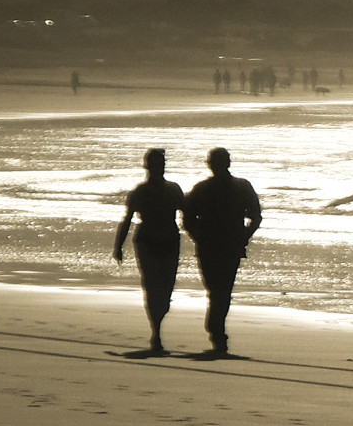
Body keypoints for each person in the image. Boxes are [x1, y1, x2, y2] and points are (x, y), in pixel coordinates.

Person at [182, 146, 263, 357]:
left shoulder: (202, 188)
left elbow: (187, 220)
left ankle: (217, 332)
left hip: (212, 246)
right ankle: (217, 331)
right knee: (221, 292)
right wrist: (244, 236)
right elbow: (256, 217)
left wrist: (200, 237)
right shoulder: (241, 186)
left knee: (217, 291)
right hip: (226, 246)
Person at [112, 147, 185, 354]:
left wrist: (201, 235)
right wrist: (118, 246)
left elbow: (187, 214)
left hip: (170, 241)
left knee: (166, 288)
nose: (158, 168)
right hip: (146, 242)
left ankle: (158, 324)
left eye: (161, 165)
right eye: (155, 165)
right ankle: (156, 332)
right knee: (152, 287)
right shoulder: (140, 192)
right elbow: (126, 219)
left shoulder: (174, 189)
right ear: (148, 167)